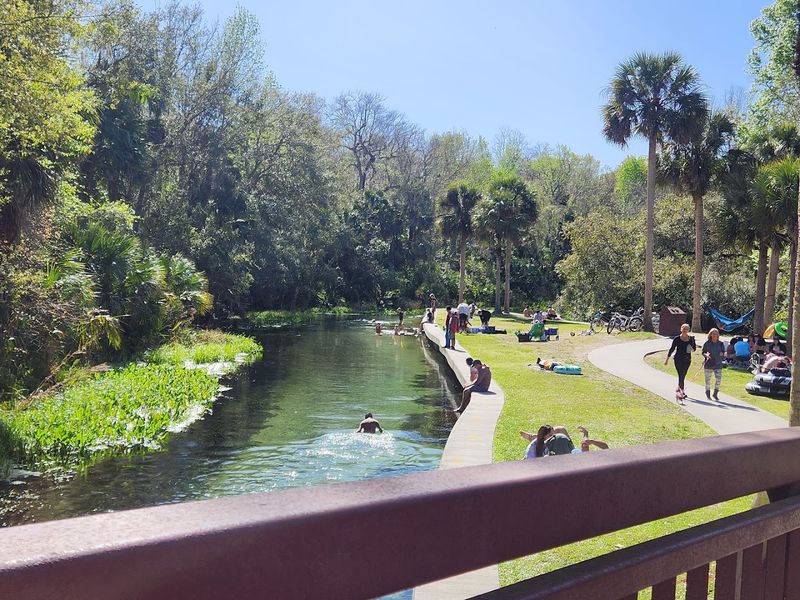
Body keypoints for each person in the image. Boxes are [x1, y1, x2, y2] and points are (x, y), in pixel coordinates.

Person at [521, 425, 608, 459]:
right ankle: (533, 436)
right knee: (560, 430)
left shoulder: (547, 456)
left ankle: (533, 436)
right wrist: (589, 439)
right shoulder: (577, 456)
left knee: (560, 429)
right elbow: (606, 448)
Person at [665, 323, 696, 400]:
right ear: (681, 329)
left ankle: (679, 388)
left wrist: (691, 349)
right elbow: (672, 349)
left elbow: (694, 349)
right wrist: (667, 359)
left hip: (687, 359)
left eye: (686, 329)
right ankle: (682, 391)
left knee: (683, 374)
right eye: (683, 328)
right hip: (678, 359)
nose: (685, 330)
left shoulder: (691, 339)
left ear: (689, 330)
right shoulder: (677, 339)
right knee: (681, 375)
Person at [701, 328, 725, 401]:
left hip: (718, 364)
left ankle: (715, 394)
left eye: (716, 333)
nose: (714, 335)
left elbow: (723, 353)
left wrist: (722, 354)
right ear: (710, 334)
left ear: (718, 335)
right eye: (713, 333)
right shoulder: (707, 343)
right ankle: (708, 393)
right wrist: (706, 355)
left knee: (718, 379)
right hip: (708, 364)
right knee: (707, 380)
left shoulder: (721, 343)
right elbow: (703, 352)